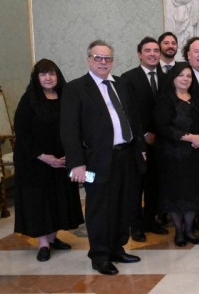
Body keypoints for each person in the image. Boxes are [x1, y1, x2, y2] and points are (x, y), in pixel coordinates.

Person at [62, 40, 146, 275]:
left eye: (107, 58)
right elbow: (69, 129)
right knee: (99, 208)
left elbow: (133, 118)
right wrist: (76, 163)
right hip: (95, 161)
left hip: (126, 155)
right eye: (98, 58)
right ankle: (99, 255)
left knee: (125, 204)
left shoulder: (120, 84)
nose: (103, 62)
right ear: (89, 59)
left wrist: (141, 149)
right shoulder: (76, 88)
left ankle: (117, 248)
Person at [14, 59, 84, 262]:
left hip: (62, 161)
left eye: (51, 73)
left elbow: (75, 126)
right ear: (37, 78)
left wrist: (70, 154)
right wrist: (45, 158)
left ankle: (53, 238)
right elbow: (23, 133)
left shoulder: (66, 97)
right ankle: (43, 244)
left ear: (58, 76)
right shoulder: (28, 99)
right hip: (35, 163)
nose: (48, 78)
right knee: (40, 203)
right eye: (43, 74)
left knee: (57, 199)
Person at [153, 63, 199, 247]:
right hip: (174, 157)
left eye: (189, 76)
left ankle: (189, 230)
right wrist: (191, 138)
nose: (185, 79)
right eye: (181, 75)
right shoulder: (165, 99)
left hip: (197, 156)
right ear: (173, 78)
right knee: (176, 195)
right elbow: (162, 127)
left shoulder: (197, 98)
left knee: (193, 193)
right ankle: (179, 231)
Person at [120, 37, 168, 240]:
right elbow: (127, 111)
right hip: (138, 142)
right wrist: (143, 134)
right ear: (139, 54)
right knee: (136, 186)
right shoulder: (128, 78)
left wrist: (160, 133)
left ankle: (151, 220)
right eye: (147, 50)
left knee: (155, 184)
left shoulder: (166, 77)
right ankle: (135, 225)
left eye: (156, 50)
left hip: (162, 140)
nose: (152, 54)